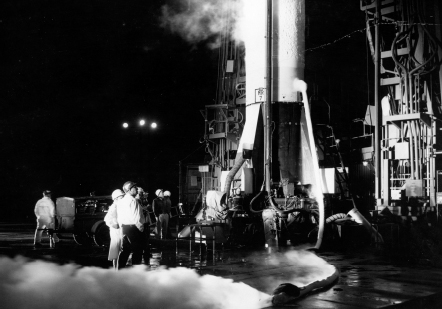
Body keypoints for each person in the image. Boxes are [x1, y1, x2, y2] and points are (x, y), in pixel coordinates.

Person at [116, 181, 149, 269]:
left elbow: (119, 217)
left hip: (124, 228)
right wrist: (141, 229)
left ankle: (119, 270)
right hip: (134, 228)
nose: (136, 189)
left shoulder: (121, 201)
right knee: (137, 250)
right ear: (129, 189)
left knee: (125, 251)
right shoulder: (133, 201)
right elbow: (136, 217)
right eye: (134, 187)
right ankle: (135, 272)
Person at [104, 189, 124, 269]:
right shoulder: (114, 206)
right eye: (121, 197)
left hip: (120, 231)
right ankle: (116, 270)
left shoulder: (120, 206)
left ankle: (117, 269)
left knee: (120, 251)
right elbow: (107, 219)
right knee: (116, 252)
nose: (122, 198)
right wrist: (114, 225)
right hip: (116, 232)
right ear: (116, 198)